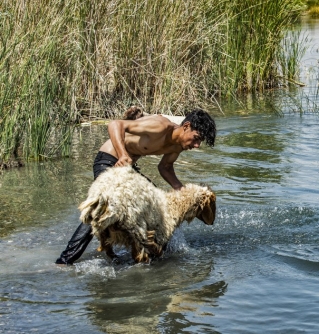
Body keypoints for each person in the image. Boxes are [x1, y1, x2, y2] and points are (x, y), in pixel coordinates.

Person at [55, 108, 216, 265]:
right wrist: (123, 154)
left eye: (200, 141)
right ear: (186, 126)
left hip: (128, 168)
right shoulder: (160, 126)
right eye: (196, 138)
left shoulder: (178, 145)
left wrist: (181, 190)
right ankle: (65, 260)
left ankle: (155, 257)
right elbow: (115, 124)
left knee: (158, 208)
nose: (197, 145)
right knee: (103, 209)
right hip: (109, 160)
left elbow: (165, 167)